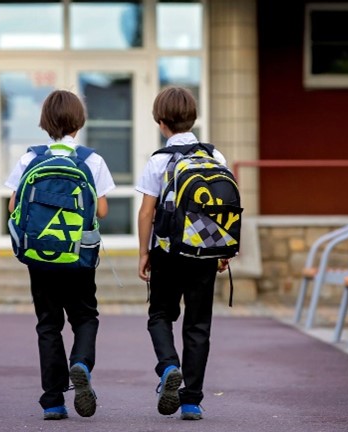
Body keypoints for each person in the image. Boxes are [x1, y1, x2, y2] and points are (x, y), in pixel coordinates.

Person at [5, 89, 115, 421]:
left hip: (40, 255)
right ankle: (80, 362)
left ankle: (53, 400)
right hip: (78, 256)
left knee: (48, 324)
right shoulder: (90, 160)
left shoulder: (30, 158)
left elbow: (13, 205)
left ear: (45, 123)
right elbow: (103, 209)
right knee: (85, 317)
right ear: (78, 123)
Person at [135, 86, 230, 420]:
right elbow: (224, 209)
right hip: (204, 251)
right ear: (194, 118)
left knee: (160, 314)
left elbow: (146, 212)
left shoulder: (159, 161)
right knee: (198, 324)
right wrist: (223, 250)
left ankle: (168, 366)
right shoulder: (215, 157)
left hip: (167, 251)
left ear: (161, 124)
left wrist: (144, 252)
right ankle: (191, 400)